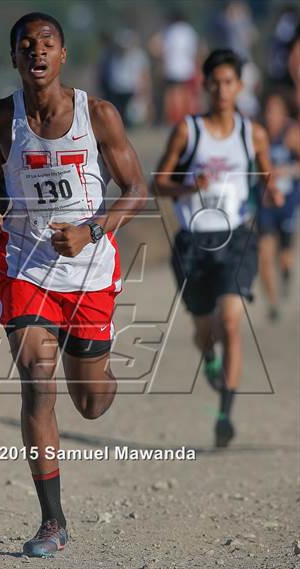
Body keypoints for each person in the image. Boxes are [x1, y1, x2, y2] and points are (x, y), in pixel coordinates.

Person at [0, 12, 147, 557]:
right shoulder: (0, 118)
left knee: (91, 403)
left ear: (63, 54)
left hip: (90, 270)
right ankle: (53, 522)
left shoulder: (98, 115)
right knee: (36, 376)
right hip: (27, 266)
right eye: (26, 46)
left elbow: (136, 188)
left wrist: (93, 228)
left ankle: (99, 365)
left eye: (47, 43)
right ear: (14, 59)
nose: (37, 53)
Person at [152, 49, 283, 448]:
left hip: (237, 237)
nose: (223, 90)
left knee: (231, 321)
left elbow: (265, 174)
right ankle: (209, 359)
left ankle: (225, 412)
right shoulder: (188, 131)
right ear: (205, 86)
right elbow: (158, 182)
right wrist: (189, 187)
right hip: (193, 241)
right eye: (216, 82)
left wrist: (272, 189)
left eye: (230, 82)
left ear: (240, 87)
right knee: (205, 330)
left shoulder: (251, 132)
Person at [257, 92, 299, 320]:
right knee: (264, 257)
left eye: (275, 111)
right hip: (265, 205)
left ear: (284, 113)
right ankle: (273, 305)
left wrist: (287, 171)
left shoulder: (291, 134)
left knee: (284, 256)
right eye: (268, 110)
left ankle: (286, 273)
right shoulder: (258, 135)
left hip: (288, 203)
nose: (271, 115)